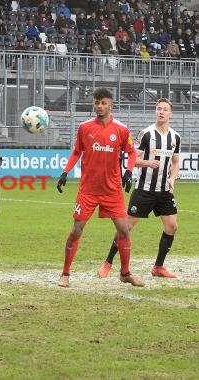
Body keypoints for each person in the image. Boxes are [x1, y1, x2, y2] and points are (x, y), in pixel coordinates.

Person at [56, 87, 144, 288]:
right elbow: (77, 152)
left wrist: (129, 172)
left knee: (124, 230)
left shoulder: (121, 129)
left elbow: (131, 153)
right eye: (96, 103)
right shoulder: (85, 127)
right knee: (77, 229)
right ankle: (65, 274)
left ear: (110, 105)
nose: (99, 107)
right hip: (88, 190)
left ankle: (125, 273)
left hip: (112, 190)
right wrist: (65, 172)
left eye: (103, 103)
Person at [98, 98, 181, 279]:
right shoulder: (146, 134)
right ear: (155, 112)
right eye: (158, 109)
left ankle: (158, 267)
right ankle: (108, 262)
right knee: (125, 228)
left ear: (170, 114)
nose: (161, 112)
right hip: (144, 190)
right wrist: (147, 163)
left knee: (172, 226)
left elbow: (176, 161)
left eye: (165, 109)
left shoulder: (175, 137)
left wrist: (172, 179)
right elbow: (132, 158)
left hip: (164, 191)